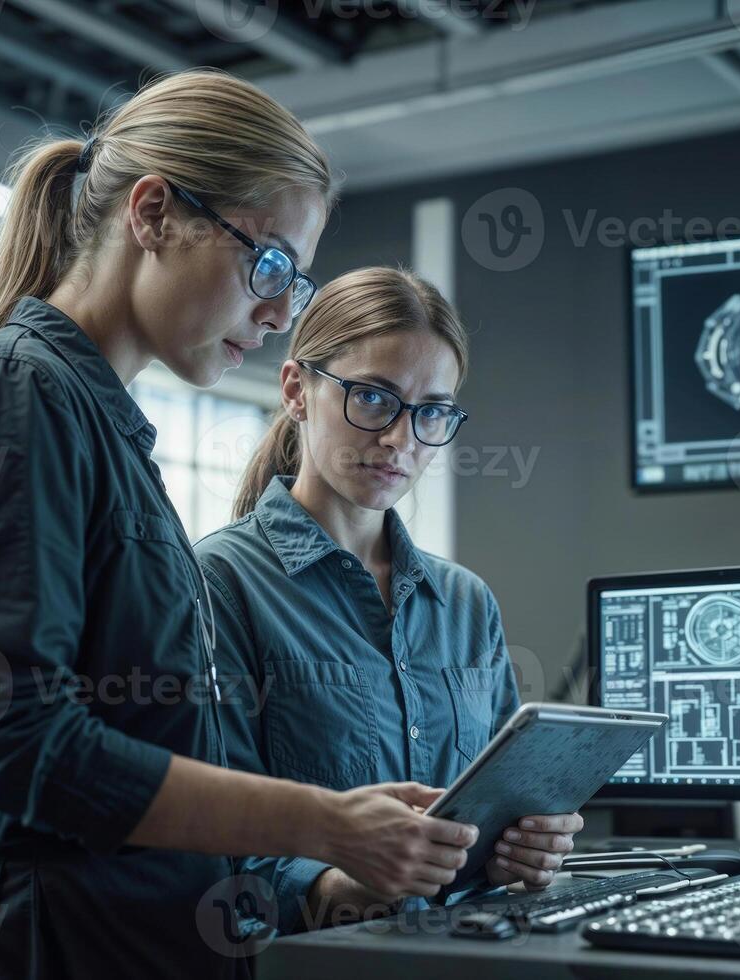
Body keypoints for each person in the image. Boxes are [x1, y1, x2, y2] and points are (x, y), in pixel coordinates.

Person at [0, 72, 476, 979]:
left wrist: (332, 867)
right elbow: (19, 741)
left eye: (295, 280)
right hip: (31, 944)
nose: (279, 315)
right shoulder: (18, 392)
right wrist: (324, 821)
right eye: (269, 264)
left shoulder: (97, 420)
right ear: (153, 215)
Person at [194, 267, 582, 932]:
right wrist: (338, 882)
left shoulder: (464, 602)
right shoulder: (218, 581)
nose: (401, 439)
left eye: (430, 411)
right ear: (296, 390)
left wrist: (527, 845)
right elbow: (205, 835)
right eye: (373, 398)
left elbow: (501, 807)